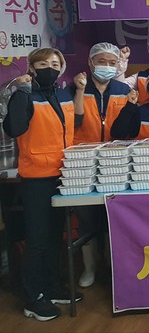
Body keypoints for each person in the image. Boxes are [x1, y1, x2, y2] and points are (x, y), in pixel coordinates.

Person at [2, 48, 85, 321]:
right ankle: (33, 297)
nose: (49, 68)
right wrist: (22, 93)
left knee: (54, 237)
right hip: (36, 177)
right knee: (37, 240)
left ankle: (51, 286)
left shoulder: (63, 94)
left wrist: (79, 91)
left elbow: (76, 122)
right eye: (42, 63)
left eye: (55, 63)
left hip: (62, 174)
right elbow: (13, 128)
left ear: (61, 67)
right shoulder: (25, 94)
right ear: (32, 67)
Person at [70, 42, 131, 288]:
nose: (107, 66)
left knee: (114, 217)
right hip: (83, 160)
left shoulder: (123, 89)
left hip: (116, 161)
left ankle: (114, 267)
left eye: (112, 63)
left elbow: (128, 124)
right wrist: (79, 91)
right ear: (90, 62)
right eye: (102, 61)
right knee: (86, 218)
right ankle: (89, 268)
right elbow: (73, 121)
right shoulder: (76, 88)